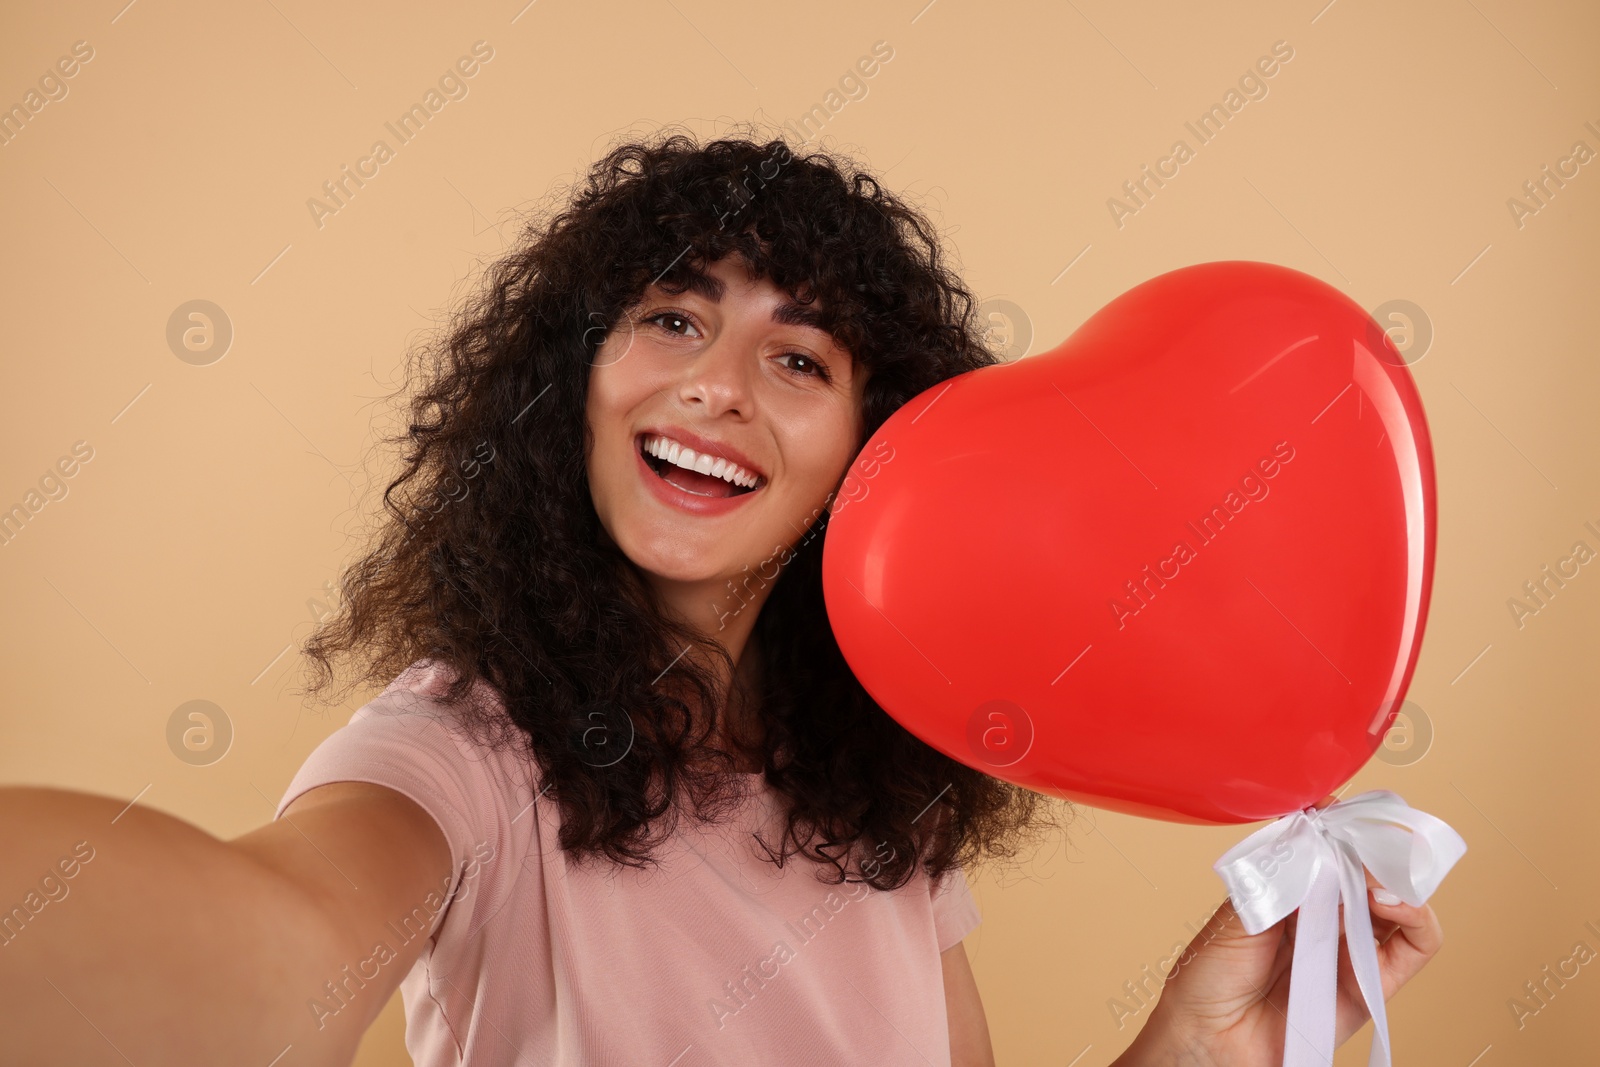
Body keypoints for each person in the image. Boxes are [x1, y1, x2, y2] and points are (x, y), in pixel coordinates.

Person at [0, 128, 1442, 1067]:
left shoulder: (883, 791)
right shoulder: (460, 753)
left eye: (800, 360)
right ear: (571, 385)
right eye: (675, 318)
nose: (716, 382)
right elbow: (283, 933)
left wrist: (1198, 1040)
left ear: (884, 462)